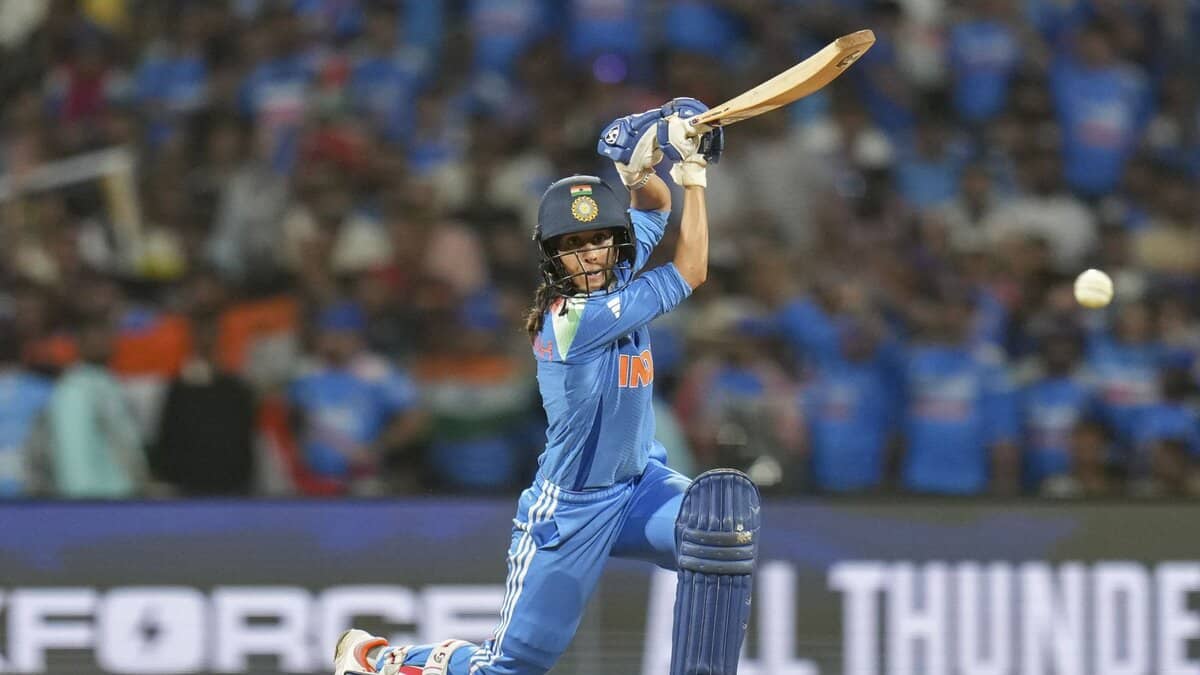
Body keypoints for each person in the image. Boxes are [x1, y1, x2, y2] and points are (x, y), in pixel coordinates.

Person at [334, 99, 760, 675]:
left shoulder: (616, 265)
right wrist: (693, 173)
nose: (588, 255)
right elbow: (692, 269)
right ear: (553, 258)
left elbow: (653, 211)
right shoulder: (576, 319)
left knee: (718, 532)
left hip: (638, 485)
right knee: (507, 669)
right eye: (572, 247)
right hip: (573, 508)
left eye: (597, 242)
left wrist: (640, 171)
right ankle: (378, 660)